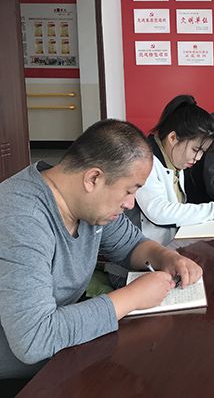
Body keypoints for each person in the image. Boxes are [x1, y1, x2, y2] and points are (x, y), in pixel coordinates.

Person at [0, 120, 202, 381]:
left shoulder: (86, 204)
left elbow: (131, 245)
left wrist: (167, 257)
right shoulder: (23, 218)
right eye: (129, 191)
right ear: (93, 178)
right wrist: (132, 297)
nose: (130, 204)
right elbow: (34, 339)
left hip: (64, 353)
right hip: (22, 375)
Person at [134, 95, 214, 244]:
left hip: (172, 245)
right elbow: (159, 212)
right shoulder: (145, 162)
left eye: (202, 152)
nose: (198, 158)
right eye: (195, 150)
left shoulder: (175, 161)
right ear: (173, 138)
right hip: (148, 251)